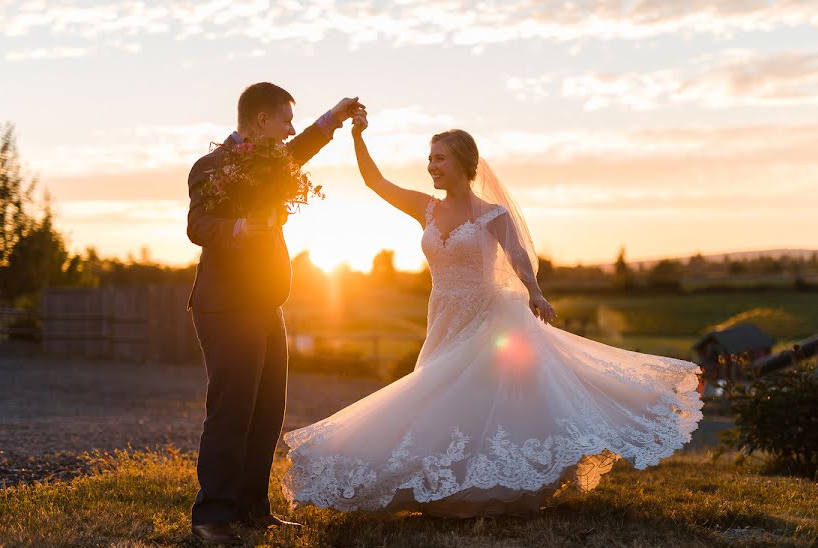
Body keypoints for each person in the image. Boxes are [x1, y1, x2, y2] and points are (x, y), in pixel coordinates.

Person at [280, 113, 703, 517]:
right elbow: (374, 182)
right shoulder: (426, 208)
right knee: (438, 395)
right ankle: (443, 484)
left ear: (464, 162)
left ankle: (488, 490)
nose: (431, 167)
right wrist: (358, 136)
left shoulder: (492, 214)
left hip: (487, 317)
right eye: (429, 159)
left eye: (439, 158)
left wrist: (535, 292)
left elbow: (517, 254)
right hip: (444, 313)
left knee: (480, 398)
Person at [186, 82, 362, 544]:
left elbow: (302, 146)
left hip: (266, 304)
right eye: (284, 120)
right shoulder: (211, 166)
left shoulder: (270, 163)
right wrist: (241, 227)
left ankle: (251, 509)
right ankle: (212, 516)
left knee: (267, 410)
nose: (289, 131)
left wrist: (335, 116)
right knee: (232, 410)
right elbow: (198, 225)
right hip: (225, 306)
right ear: (261, 121)